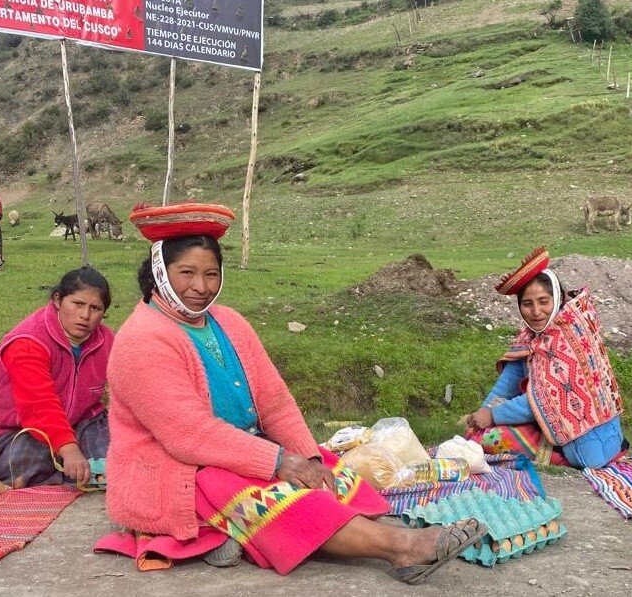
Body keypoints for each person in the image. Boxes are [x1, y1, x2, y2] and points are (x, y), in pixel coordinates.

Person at [103, 202, 485, 585]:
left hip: (239, 450)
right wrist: (278, 462)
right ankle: (403, 549)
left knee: (330, 474)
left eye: (211, 274)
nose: (200, 287)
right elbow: (188, 434)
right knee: (275, 499)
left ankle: (245, 533)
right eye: (186, 273)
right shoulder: (141, 340)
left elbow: (274, 402)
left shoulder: (229, 322)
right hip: (178, 470)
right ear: (159, 273)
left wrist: (306, 457)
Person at [465, 247, 626, 468]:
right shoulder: (534, 338)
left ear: (557, 299)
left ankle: (549, 454)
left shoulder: (566, 338)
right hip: (606, 443)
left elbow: (544, 401)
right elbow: (507, 385)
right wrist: (479, 417)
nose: (536, 311)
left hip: (586, 451)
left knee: (490, 439)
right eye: (527, 304)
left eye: (543, 301)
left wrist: (492, 416)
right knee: (480, 434)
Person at [0, 267, 114, 488]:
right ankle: (66, 484)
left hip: (83, 423)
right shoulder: (27, 342)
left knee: (116, 459)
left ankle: (73, 479)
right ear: (57, 300)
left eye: (96, 308)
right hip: (22, 430)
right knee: (25, 467)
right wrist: (70, 450)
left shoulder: (106, 340)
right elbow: (39, 406)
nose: (85, 315)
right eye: (78, 304)